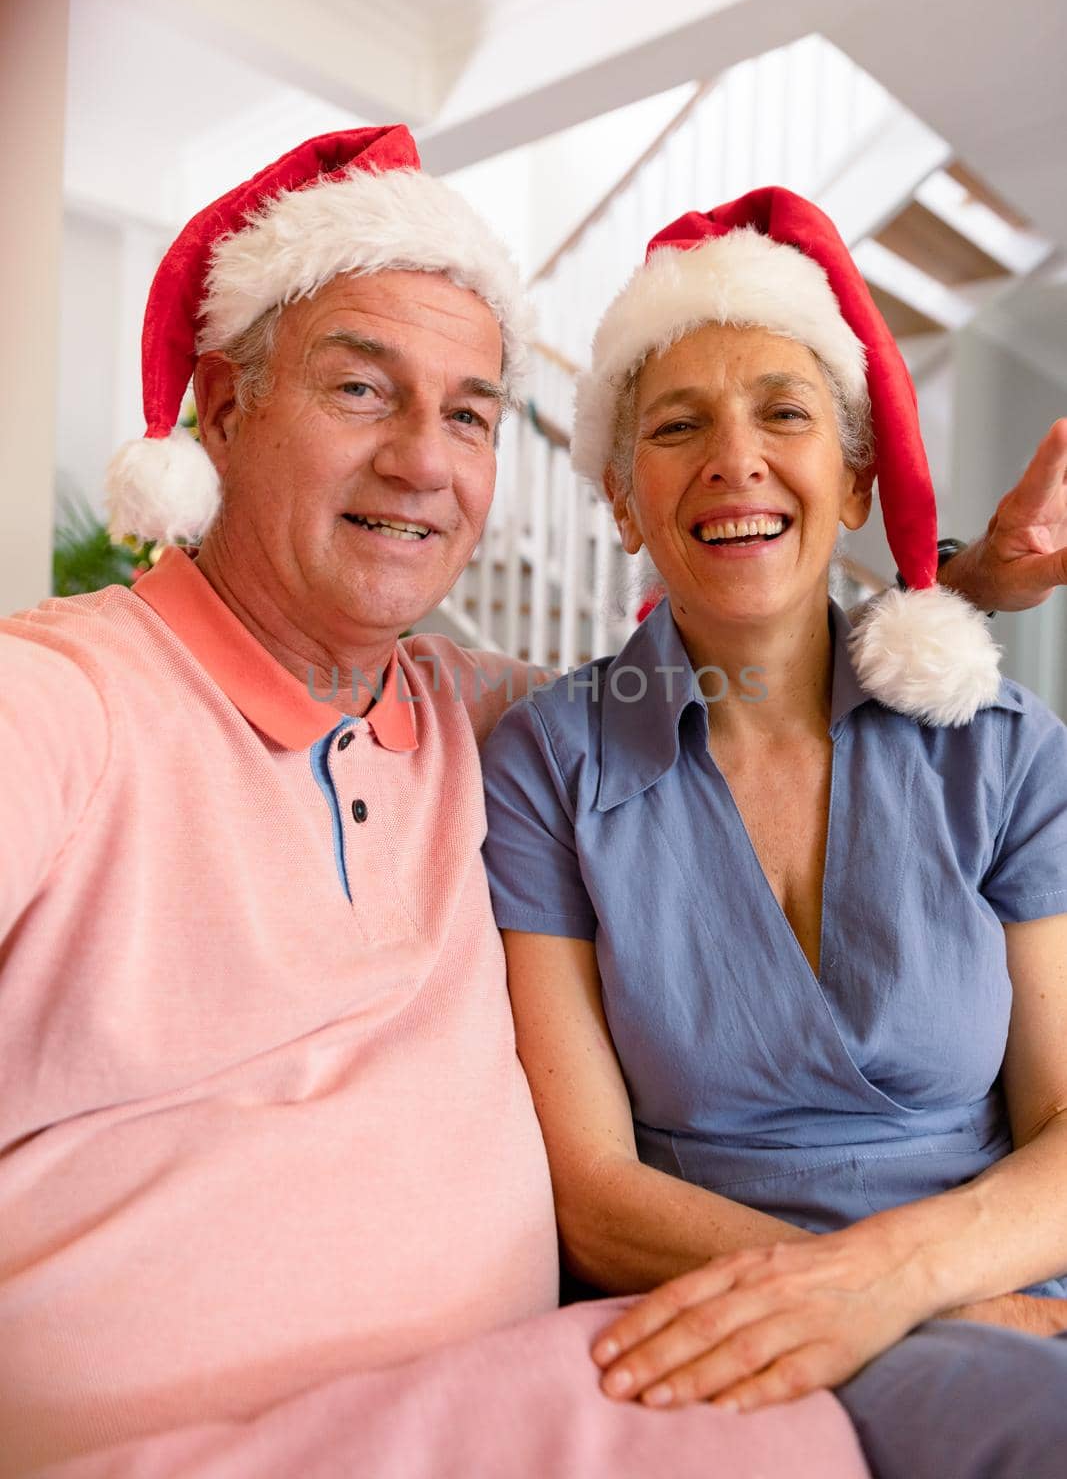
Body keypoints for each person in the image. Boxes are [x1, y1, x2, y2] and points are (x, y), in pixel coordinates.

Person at [0, 135, 1062, 1477]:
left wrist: (959, 592)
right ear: (220, 408)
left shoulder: (465, 709)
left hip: (555, 1401)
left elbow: (753, 664)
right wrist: (903, 1297)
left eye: (468, 415)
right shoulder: (68, 702)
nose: (420, 462)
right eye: (359, 390)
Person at [481, 188, 1067, 1479]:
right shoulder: (548, 762)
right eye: (677, 426)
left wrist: (912, 1283)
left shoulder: (1001, 744)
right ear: (625, 503)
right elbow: (590, 1187)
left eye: (785, 414)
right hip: (702, 1315)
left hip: (1008, 1292)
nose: (734, 458)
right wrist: (893, 1302)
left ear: (854, 478)